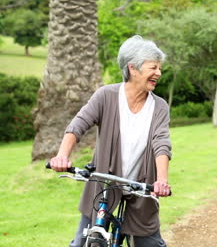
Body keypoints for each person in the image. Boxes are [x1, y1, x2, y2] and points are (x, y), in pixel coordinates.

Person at [49, 35, 172, 247]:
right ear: (133, 68)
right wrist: (62, 155)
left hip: (141, 187)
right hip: (104, 186)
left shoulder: (159, 106)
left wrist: (161, 180)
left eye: (159, 68)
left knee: (150, 244)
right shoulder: (105, 96)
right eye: (153, 68)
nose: (158, 73)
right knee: (82, 242)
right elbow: (78, 125)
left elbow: (161, 142)